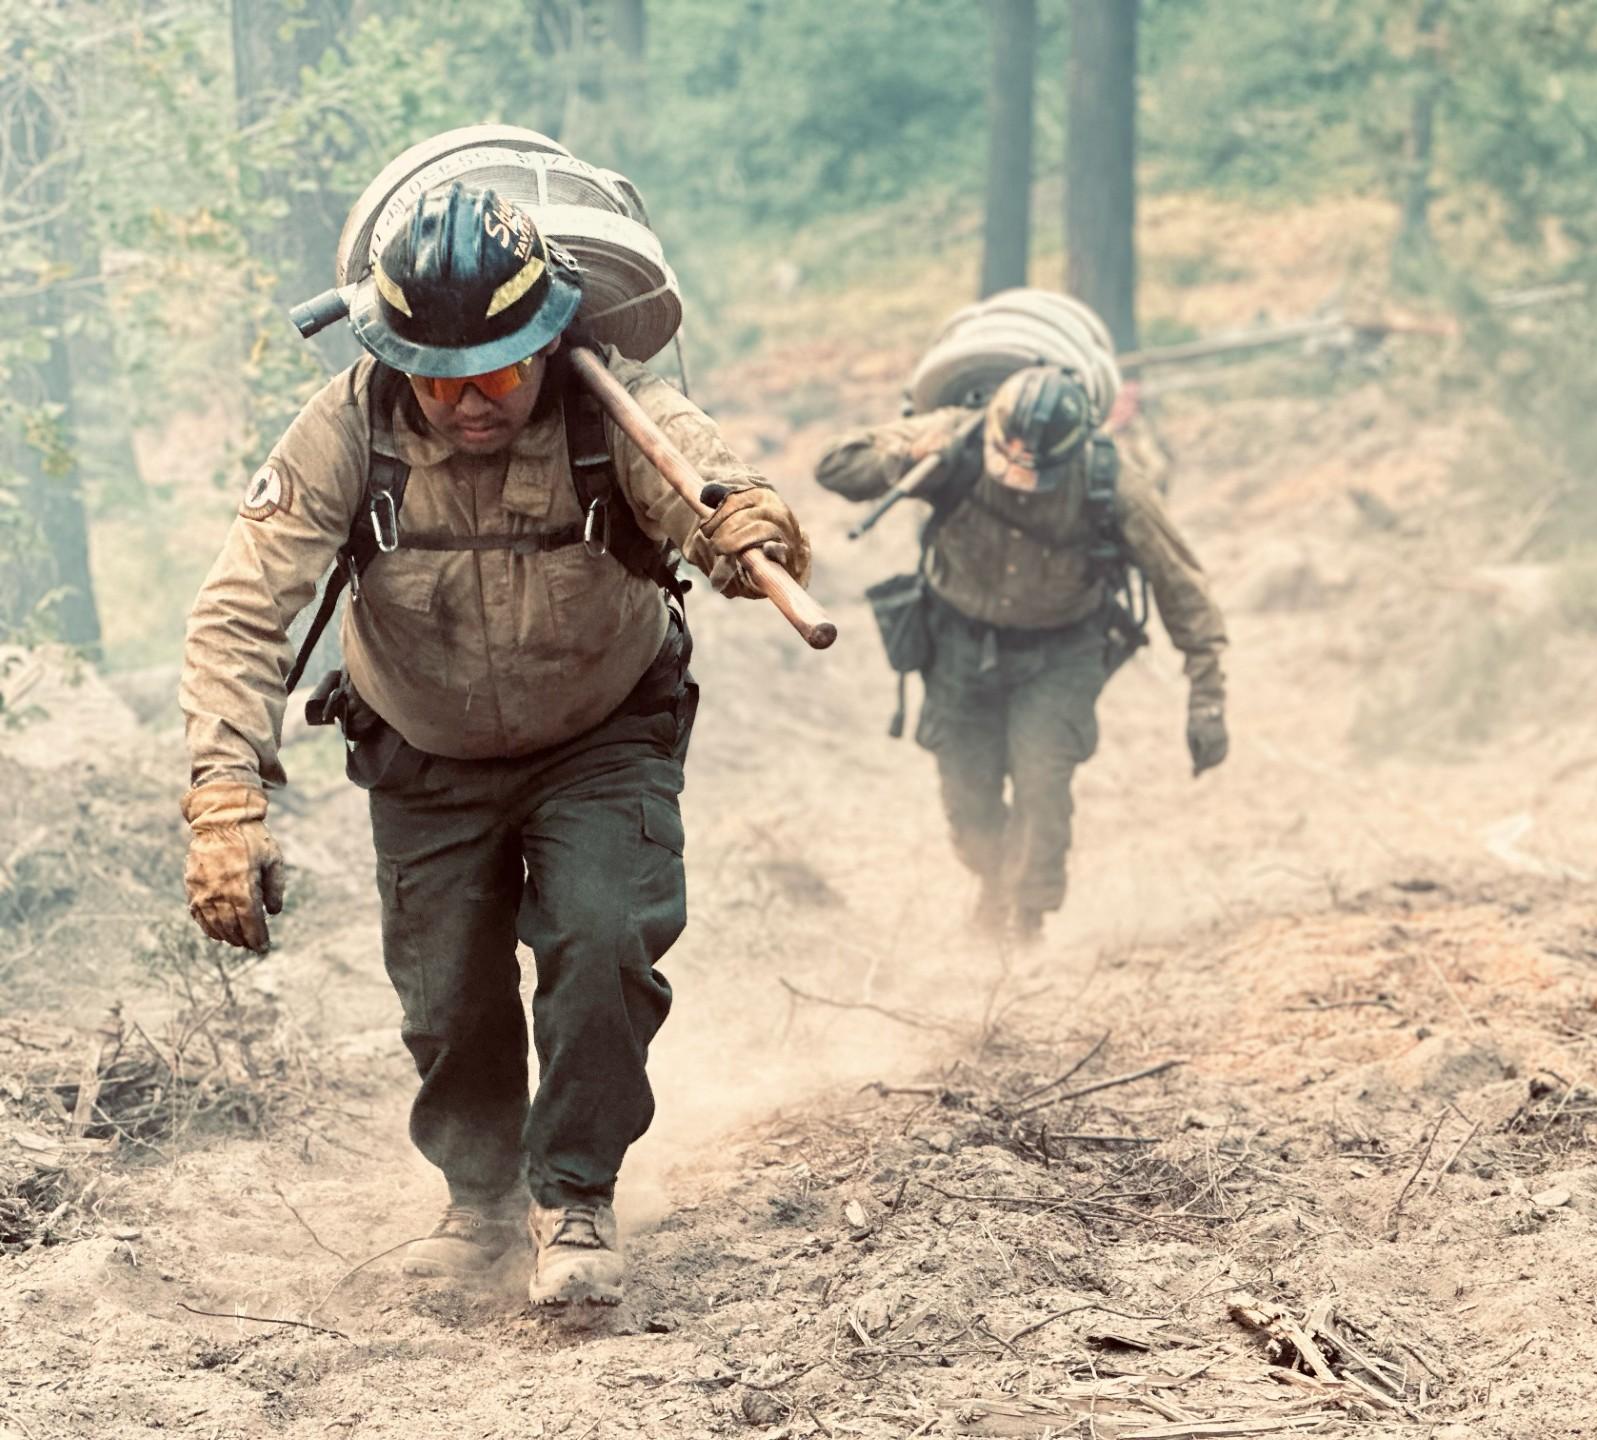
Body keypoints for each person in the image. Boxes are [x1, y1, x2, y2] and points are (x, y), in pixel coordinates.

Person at [176, 183, 811, 1308]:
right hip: (422, 745)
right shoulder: (341, 431)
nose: (474, 401)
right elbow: (240, 610)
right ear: (393, 354)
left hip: (600, 728)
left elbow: (709, 494)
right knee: (448, 994)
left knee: (603, 937)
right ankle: (477, 1203)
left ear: (547, 339)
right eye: (441, 377)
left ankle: (575, 1197)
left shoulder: (615, 409)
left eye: (504, 372)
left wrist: (747, 525)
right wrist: (223, 795)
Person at [815, 363, 1227, 942]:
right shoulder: (955, 435)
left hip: (1061, 652)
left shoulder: (1112, 479)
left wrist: (1207, 695)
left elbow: (1180, 582)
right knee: (968, 800)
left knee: (1043, 786)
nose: (1016, 479)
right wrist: (904, 459)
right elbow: (834, 465)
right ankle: (993, 882)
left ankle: (1025, 920)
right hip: (957, 643)